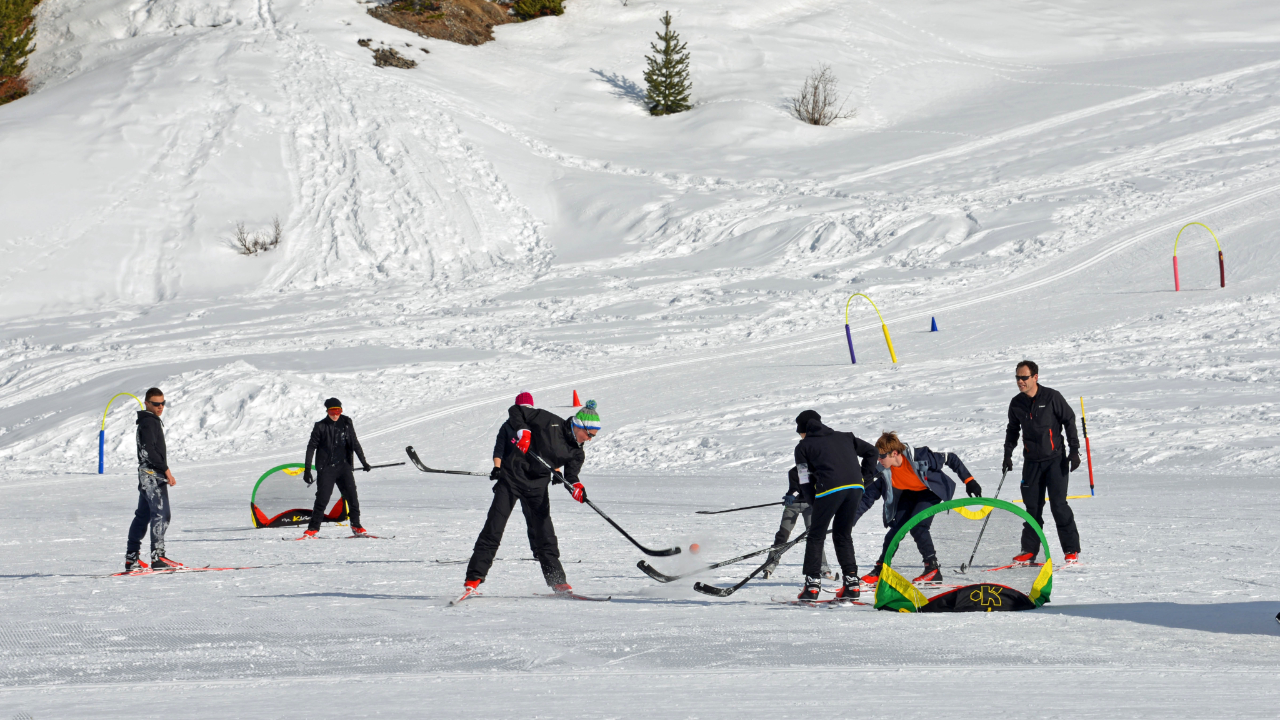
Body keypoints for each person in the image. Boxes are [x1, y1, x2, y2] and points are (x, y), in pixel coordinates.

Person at [463, 401, 600, 598]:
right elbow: (516, 410)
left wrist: (575, 487)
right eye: (590, 434)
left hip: (537, 486)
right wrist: (524, 431)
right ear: (579, 426)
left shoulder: (577, 452)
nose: (590, 439)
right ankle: (473, 579)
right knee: (494, 527)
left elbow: (571, 476)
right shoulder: (549, 421)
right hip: (511, 478)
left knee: (545, 534)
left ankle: (557, 581)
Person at [859, 432, 981, 585]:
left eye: (882, 456)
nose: (879, 460)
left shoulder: (920, 456)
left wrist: (969, 481)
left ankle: (932, 569)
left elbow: (951, 458)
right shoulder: (882, 471)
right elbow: (867, 498)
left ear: (895, 453)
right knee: (897, 528)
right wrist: (849, 519)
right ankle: (881, 569)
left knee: (918, 526)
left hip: (929, 492)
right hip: (908, 494)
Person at [792, 411, 879, 602]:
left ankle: (812, 585)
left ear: (804, 430)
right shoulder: (845, 437)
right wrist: (865, 478)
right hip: (855, 488)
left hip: (829, 489)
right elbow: (873, 452)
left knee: (816, 535)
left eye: (800, 432)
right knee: (843, 534)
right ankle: (852, 584)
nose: (800, 436)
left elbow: (804, 479)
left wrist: (813, 501)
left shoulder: (803, 447)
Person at [1003, 360, 1082, 565]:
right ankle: (1029, 550)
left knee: (1059, 505)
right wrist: (1007, 455)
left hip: (1055, 460)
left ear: (1035, 377)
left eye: (1024, 377)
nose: (1020, 381)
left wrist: (1074, 452)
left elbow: (1069, 420)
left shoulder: (1051, 397)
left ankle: (1071, 550)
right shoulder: (1016, 403)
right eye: (1017, 378)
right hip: (1032, 462)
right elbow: (1012, 429)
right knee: (1033, 508)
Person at [126, 388, 181, 571]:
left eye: (163, 403)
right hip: (152, 475)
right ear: (147, 403)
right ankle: (158, 558)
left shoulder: (147, 421)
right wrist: (166, 470)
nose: (160, 407)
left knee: (143, 516)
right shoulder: (149, 422)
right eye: (156, 404)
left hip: (147, 475)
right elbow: (149, 451)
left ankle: (131, 558)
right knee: (161, 514)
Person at [302, 398, 371, 538]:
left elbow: (354, 442)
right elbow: (311, 448)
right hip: (326, 469)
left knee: (352, 497)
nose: (335, 414)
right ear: (327, 411)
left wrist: (364, 462)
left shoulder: (347, 423)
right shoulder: (320, 426)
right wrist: (307, 470)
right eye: (332, 411)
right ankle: (313, 529)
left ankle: (356, 525)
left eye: (338, 411)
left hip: (344, 467)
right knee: (322, 499)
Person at [491, 391, 535, 481]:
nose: (525, 411)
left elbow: (547, 449)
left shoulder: (536, 425)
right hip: (509, 471)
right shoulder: (507, 427)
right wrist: (497, 468)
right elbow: (499, 450)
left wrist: (556, 470)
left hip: (530, 473)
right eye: (522, 408)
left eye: (528, 408)